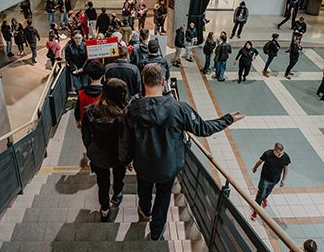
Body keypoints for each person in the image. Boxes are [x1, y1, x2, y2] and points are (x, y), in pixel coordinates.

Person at [120, 63, 240, 240]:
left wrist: (126, 160)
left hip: (143, 164)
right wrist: (228, 119)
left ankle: (144, 210)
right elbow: (203, 129)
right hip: (168, 166)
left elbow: (126, 140)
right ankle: (156, 230)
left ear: (143, 81)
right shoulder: (179, 109)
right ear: (163, 82)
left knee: (144, 189)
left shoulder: (131, 110)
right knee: (163, 195)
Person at [82, 78, 129, 222]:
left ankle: (104, 208)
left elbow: (85, 135)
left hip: (98, 153)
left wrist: (90, 148)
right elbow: (128, 138)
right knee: (118, 177)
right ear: (121, 95)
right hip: (118, 154)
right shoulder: (125, 115)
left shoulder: (91, 111)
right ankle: (117, 194)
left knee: (102, 182)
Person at [250, 143, 291, 220]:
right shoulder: (268, 154)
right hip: (265, 178)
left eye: (281, 153)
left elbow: (286, 168)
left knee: (268, 191)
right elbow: (260, 161)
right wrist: (255, 167)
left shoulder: (285, 157)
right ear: (274, 150)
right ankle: (256, 211)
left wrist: (283, 180)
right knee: (261, 194)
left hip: (275, 179)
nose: (280, 155)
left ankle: (265, 198)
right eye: (278, 153)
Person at [75, 60, 105, 127]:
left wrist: (78, 121)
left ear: (89, 76)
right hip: (103, 126)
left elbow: (77, 110)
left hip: (87, 126)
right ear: (103, 75)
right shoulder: (107, 93)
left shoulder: (81, 93)